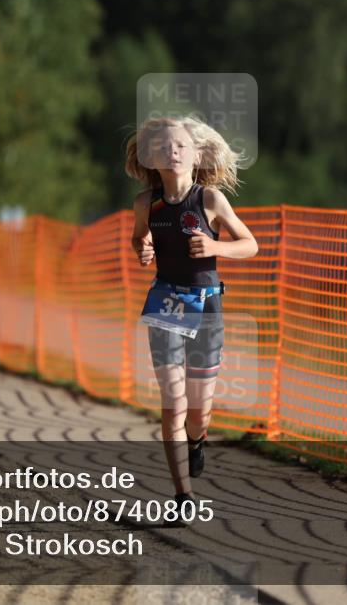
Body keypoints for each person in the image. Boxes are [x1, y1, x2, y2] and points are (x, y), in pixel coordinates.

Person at [125, 115, 258, 518]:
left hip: (207, 307)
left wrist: (217, 249)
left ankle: (197, 441)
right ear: (152, 157)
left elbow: (250, 244)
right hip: (166, 300)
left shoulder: (210, 200)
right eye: (164, 146)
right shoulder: (146, 204)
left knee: (198, 412)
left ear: (196, 154)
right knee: (173, 401)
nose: (173, 152)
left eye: (181, 145)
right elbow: (139, 236)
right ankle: (183, 497)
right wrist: (142, 247)